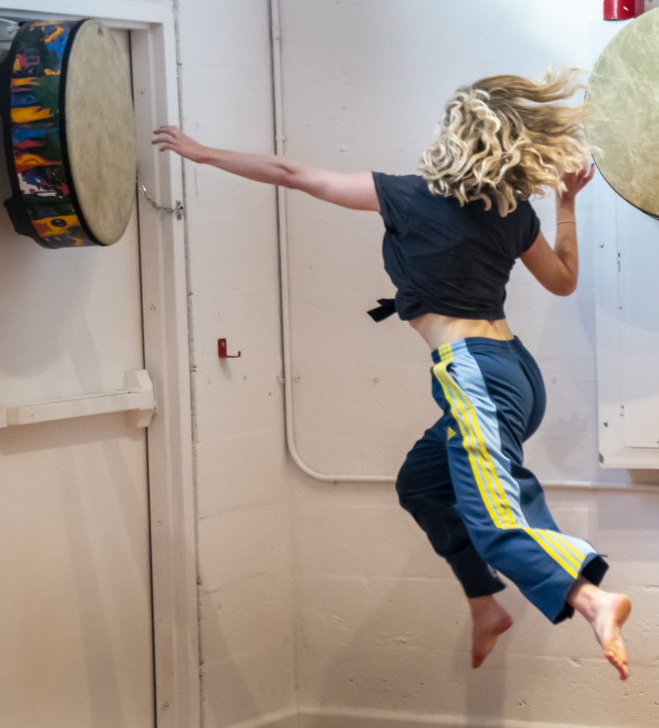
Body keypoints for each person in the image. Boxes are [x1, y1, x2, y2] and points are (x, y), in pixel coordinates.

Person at [153, 68, 631, 680]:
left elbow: (292, 175)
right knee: (422, 485)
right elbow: (563, 280)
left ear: (459, 135)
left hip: (474, 375)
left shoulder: (409, 196)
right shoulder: (509, 211)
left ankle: (589, 599)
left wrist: (202, 153)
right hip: (514, 375)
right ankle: (485, 604)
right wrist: (565, 204)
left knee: (493, 512)